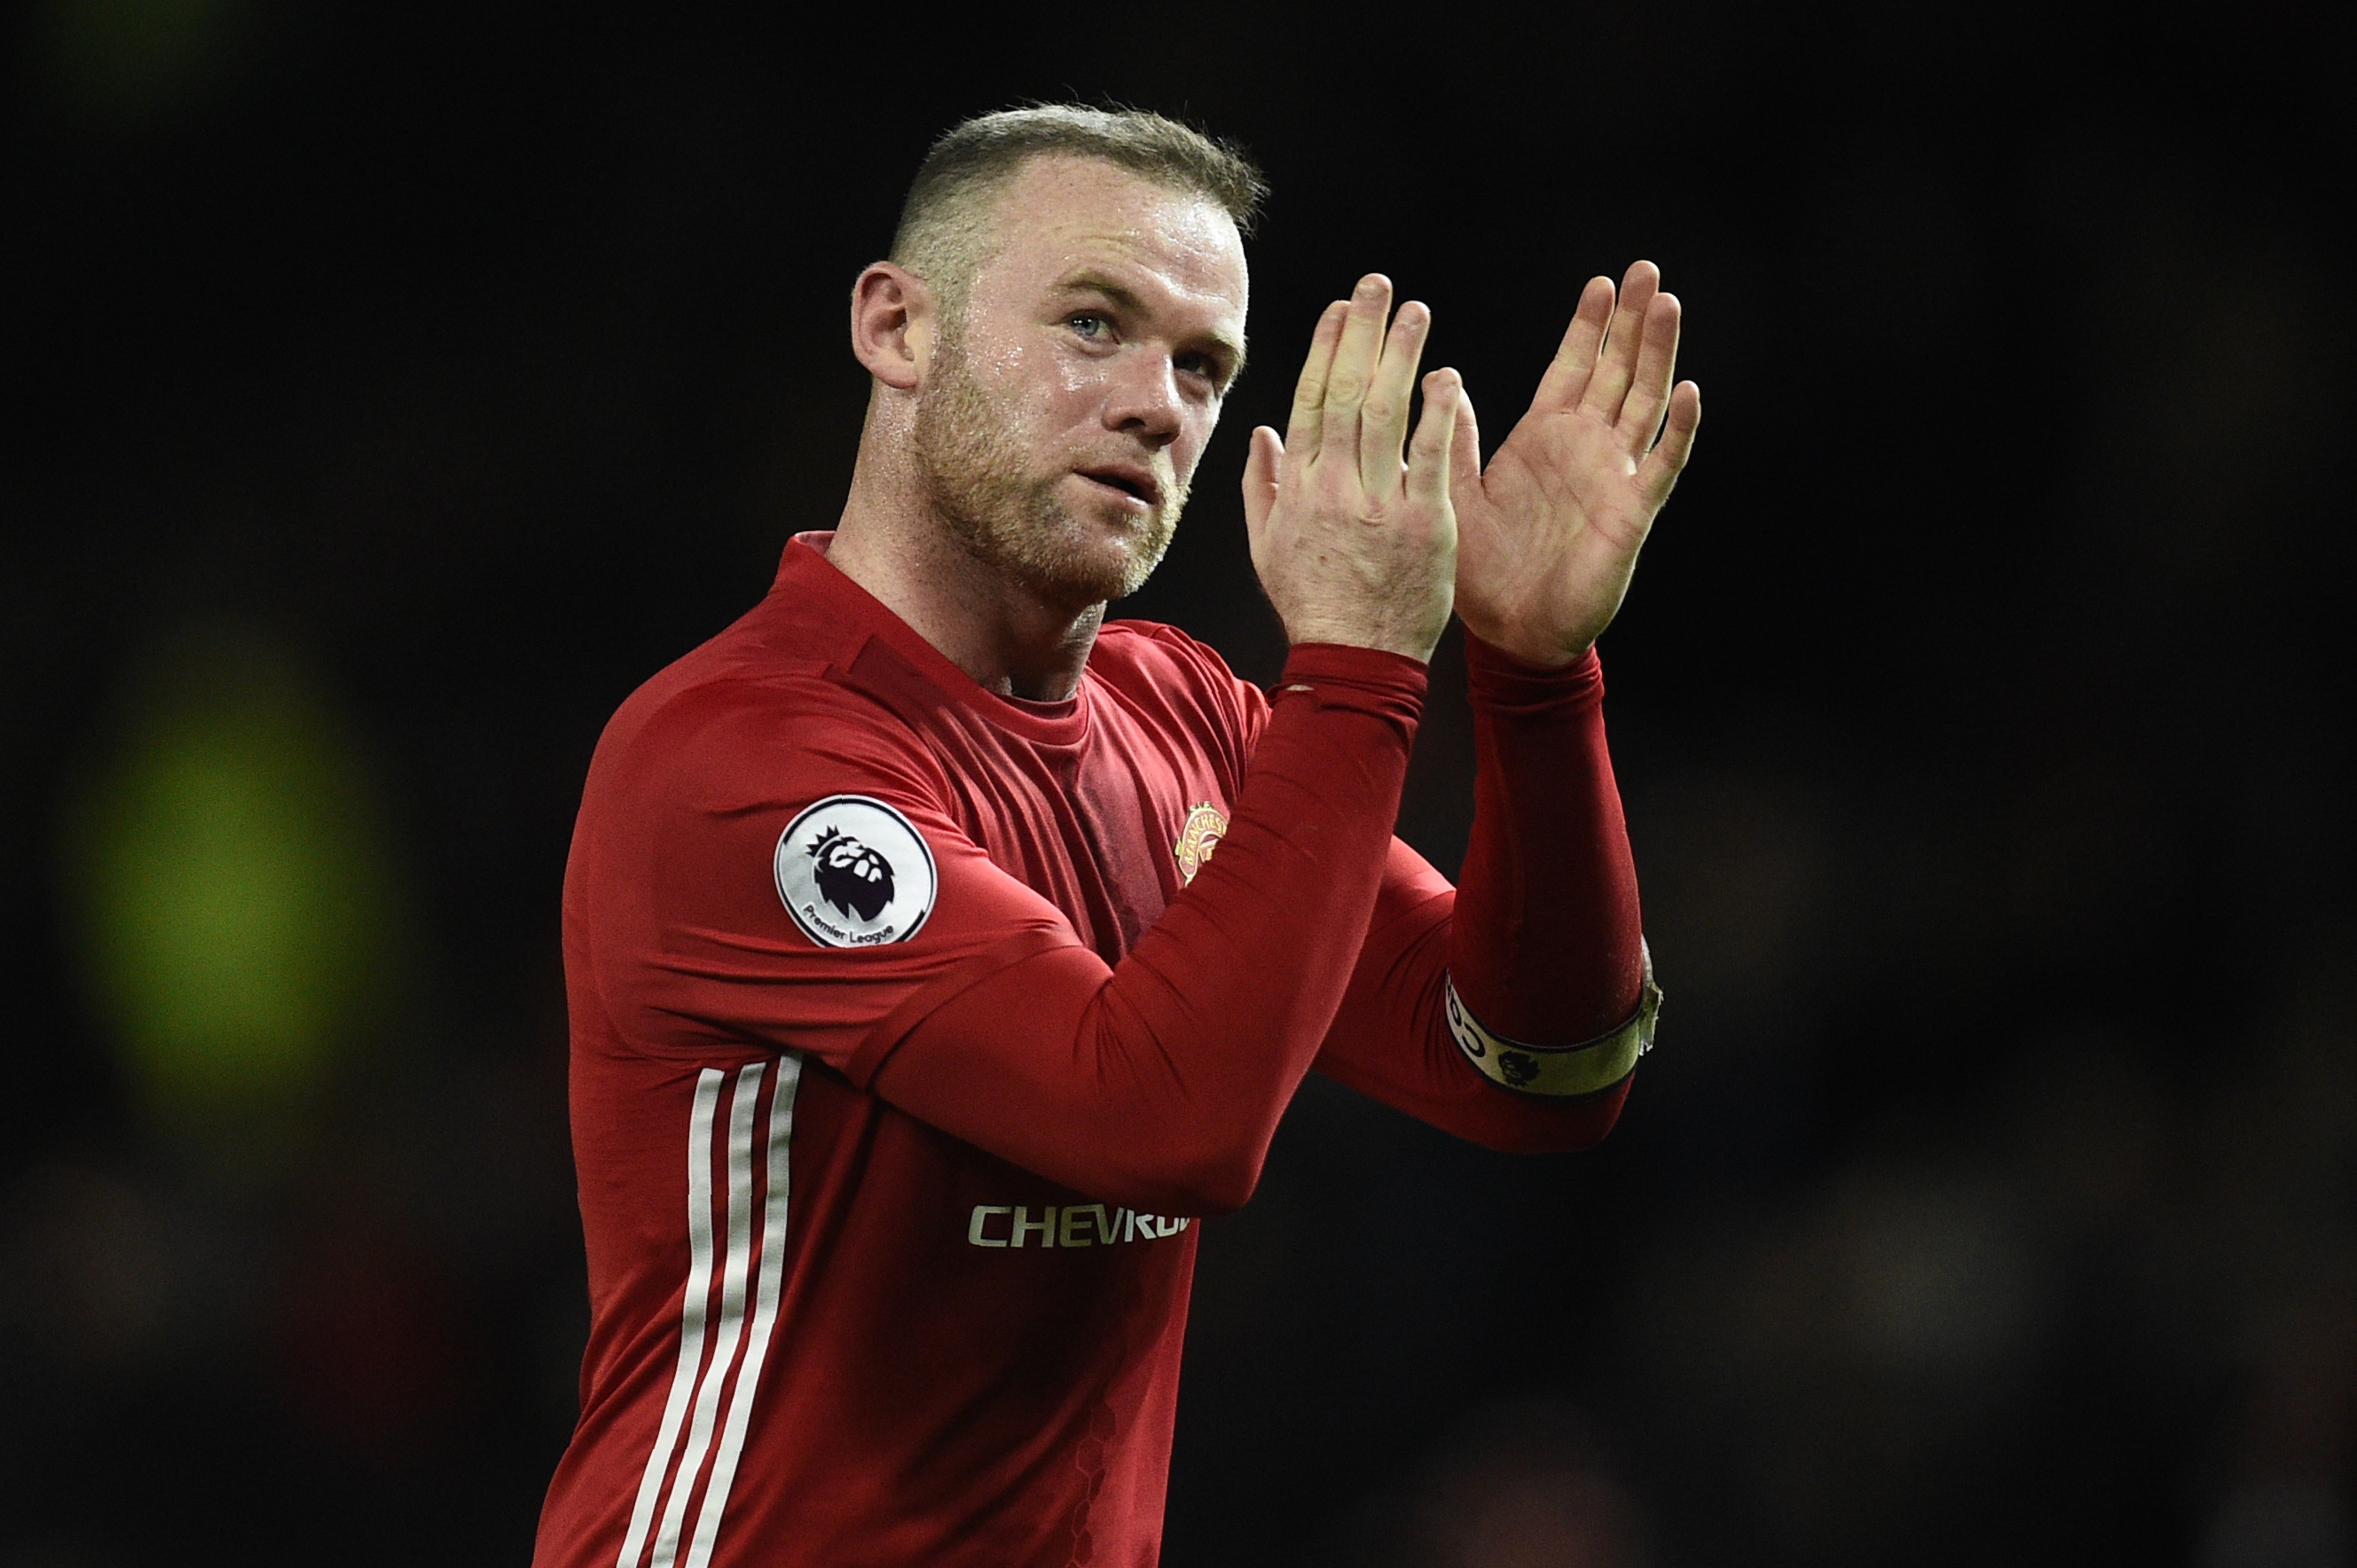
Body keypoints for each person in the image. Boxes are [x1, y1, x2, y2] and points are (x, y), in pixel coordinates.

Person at [532, 105, 1699, 1568]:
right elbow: (1163, 1127)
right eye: (1094, 324)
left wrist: (1531, 680)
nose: (1157, 403)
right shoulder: (740, 760)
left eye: (1202, 367)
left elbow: (1542, 1071)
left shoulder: (1183, 722)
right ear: (897, 327)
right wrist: (1355, 667)